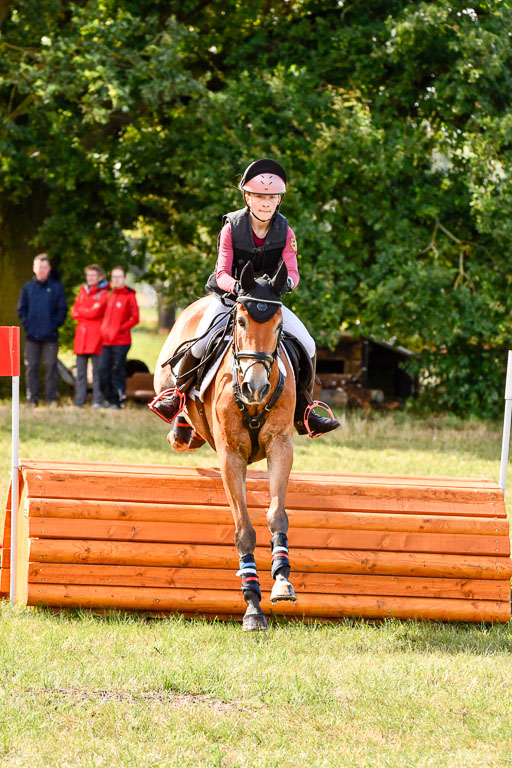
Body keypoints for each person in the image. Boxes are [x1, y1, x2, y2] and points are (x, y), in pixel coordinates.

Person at [151, 158, 340, 436]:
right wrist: (240, 288)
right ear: (247, 198)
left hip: (269, 303)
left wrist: (285, 283)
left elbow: (294, 271)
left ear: (279, 201)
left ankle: (305, 410)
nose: (266, 203)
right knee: (201, 340)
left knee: (308, 344)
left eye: (272, 197)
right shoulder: (231, 227)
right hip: (230, 299)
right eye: (260, 197)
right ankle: (177, 396)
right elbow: (222, 271)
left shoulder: (286, 232)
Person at [17, 253, 68, 407]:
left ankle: (51, 399)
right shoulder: (28, 288)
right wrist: (28, 325)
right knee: (31, 367)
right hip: (32, 336)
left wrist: (54, 325)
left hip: (50, 337)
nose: (42, 270)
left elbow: (62, 310)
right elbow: (22, 309)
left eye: (45, 267)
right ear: (34, 268)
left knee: (51, 367)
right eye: (40, 267)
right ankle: (32, 399)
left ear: (49, 269)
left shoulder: (56, 287)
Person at [99, 266, 139, 409]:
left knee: (117, 369)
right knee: (103, 370)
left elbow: (135, 318)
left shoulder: (129, 295)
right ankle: (109, 399)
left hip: (121, 341)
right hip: (106, 341)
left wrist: (119, 329)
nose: (116, 280)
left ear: (124, 279)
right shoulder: (108, 294)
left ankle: (119, 400)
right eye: (114, 277)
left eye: (119, 277)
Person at [71, 264, 109, 408]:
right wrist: (87, 311)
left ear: (100, 277)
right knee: (80, 372)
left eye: (93, 275)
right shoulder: (83, 291)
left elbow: (96, 311)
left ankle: (97, 400)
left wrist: (83, 312)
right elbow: (74, 311)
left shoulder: (105, 293)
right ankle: (79, 400)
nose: (90, 278)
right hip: (81, 337)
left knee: (97, 371)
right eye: (88, 275)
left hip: (96, 336)